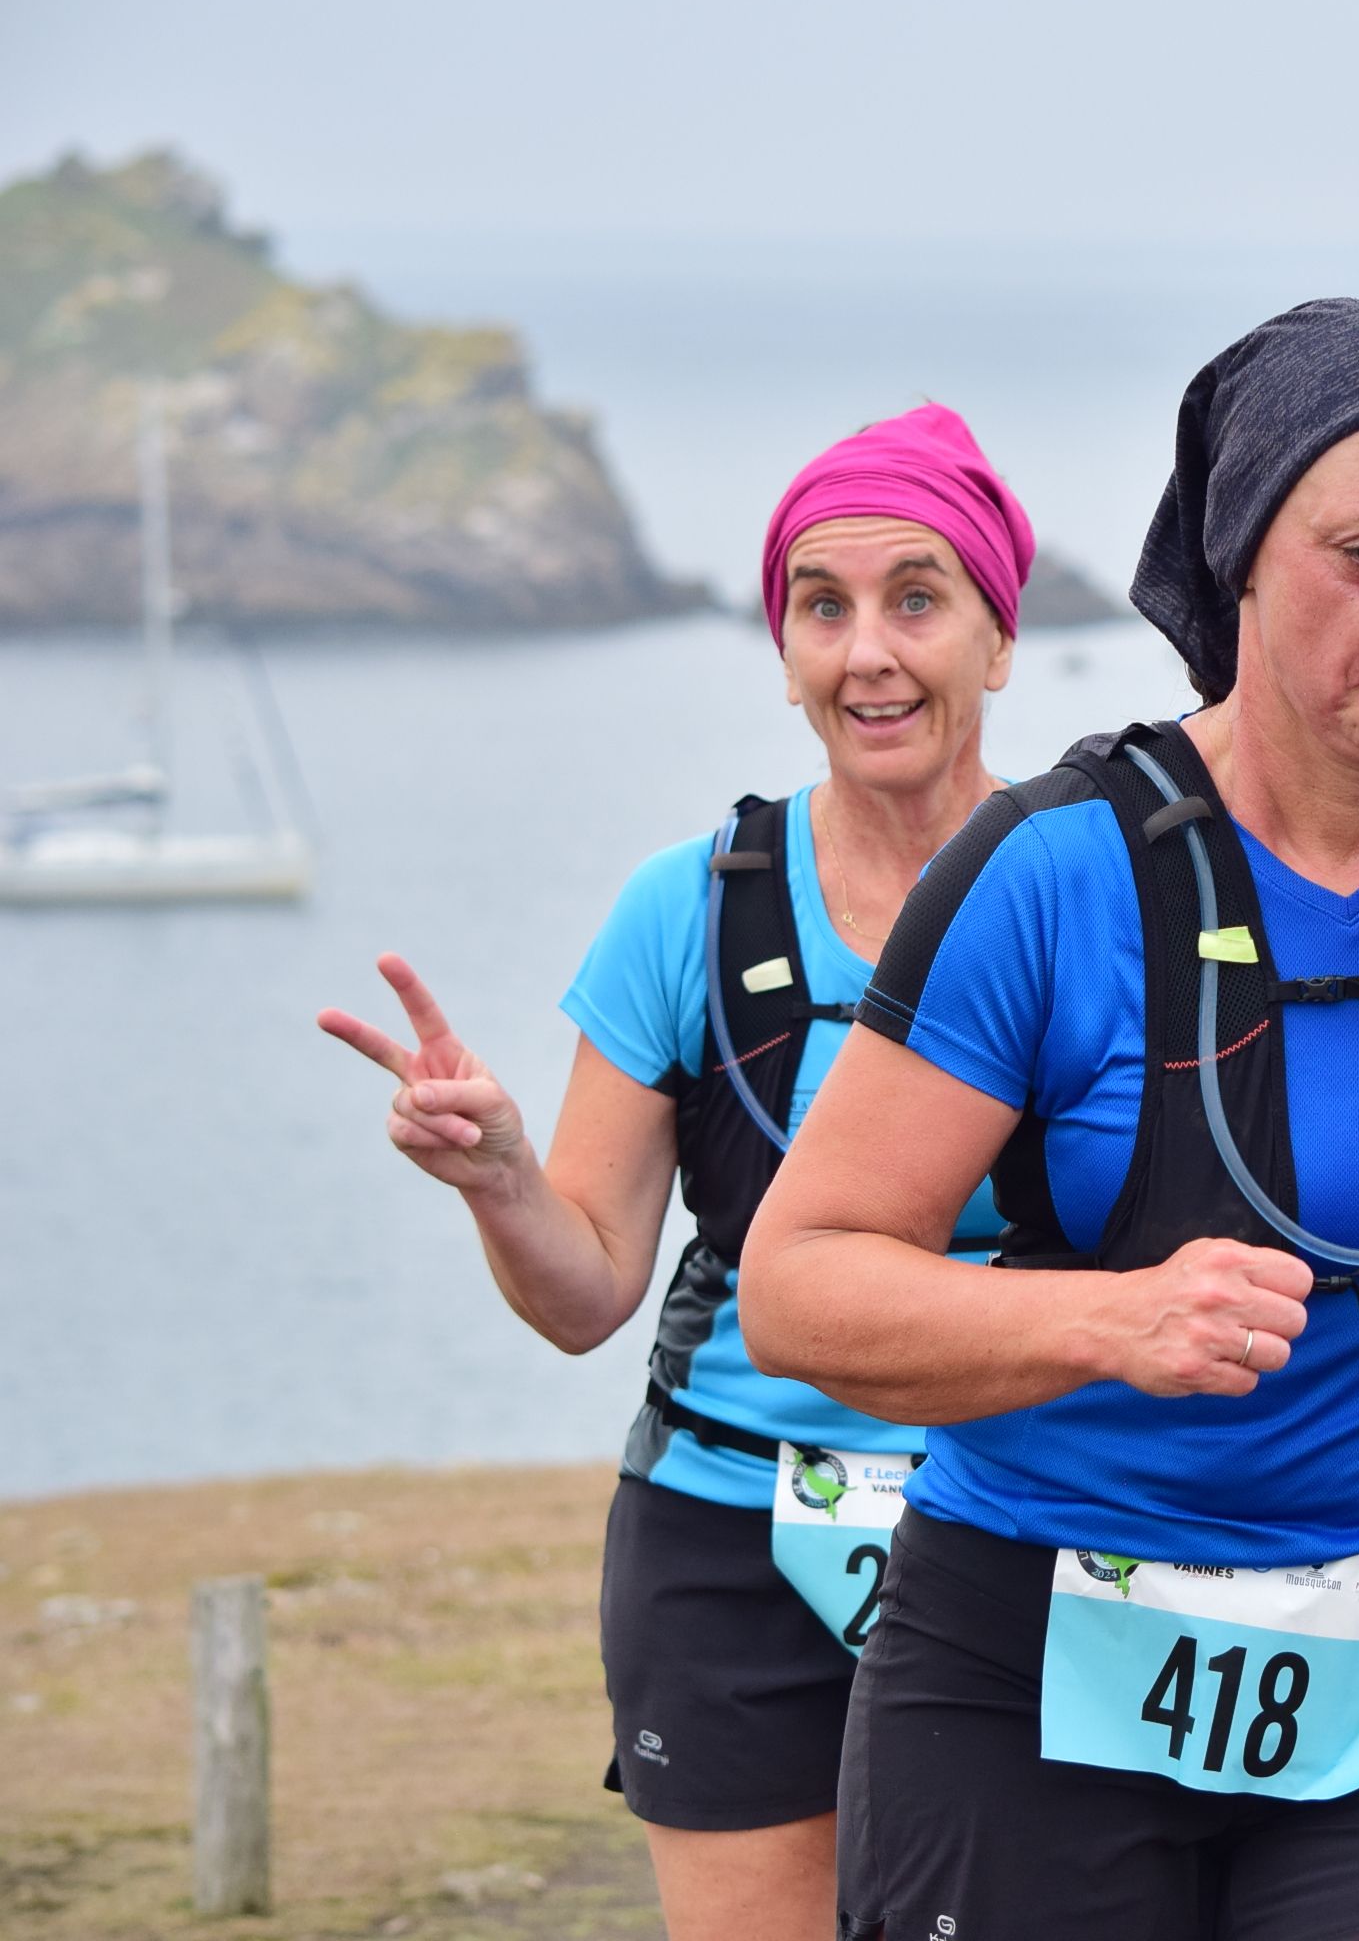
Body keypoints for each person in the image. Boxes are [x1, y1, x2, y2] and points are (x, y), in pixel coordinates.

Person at [742, 299, 1359, 1941]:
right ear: (1244, 562)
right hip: (1026, 1665)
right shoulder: (1050, 874)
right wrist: (1113, 1322)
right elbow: (801, 1285)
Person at [315, 404, 1036, 1941]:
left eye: (917, 600)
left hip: (1029, 1522)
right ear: (782, 652)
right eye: (822, 609)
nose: (868, 654)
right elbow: (586, 1294)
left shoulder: (1092, 893)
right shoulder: (688, 910)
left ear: (1000, 637)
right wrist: (501, 1178)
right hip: (726, 1535)